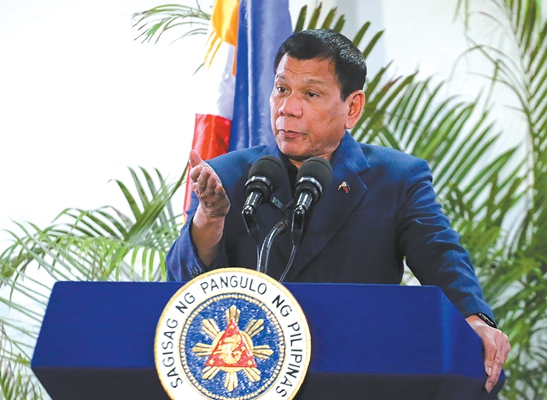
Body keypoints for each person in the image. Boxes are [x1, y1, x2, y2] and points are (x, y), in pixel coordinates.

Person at [166, 29, 510, 393]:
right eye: (281, 89)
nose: (287, 107)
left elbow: (440, 256)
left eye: (310, 94)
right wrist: (210, 220)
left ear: (353, 107)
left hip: (360, 372)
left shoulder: (396, 178)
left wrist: (475, 320)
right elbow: (181, 290)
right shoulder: (227, 176)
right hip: (250, 378)